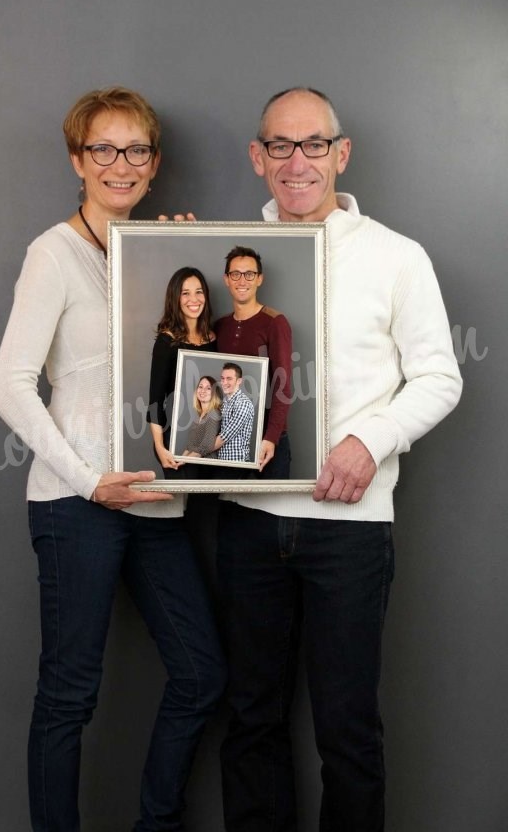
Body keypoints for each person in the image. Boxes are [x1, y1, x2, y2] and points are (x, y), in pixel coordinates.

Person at [217, 87, 463, 832]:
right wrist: (160, 257)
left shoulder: (398, 256)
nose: (299, 162)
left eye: (314, 144)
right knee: (251, 719)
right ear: (258, 158)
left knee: (348, 730)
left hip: (350, 528)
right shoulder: (225, 257)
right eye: (281, 146)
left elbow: (440, 376)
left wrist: (372, 440)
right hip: (250, 522)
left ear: (340, 153)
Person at [0, 86, 226, 832]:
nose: (119, 164)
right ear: (77, 160)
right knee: (69, 695)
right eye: (103, 149)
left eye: (135, 150)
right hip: (75, 504)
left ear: (153, 166)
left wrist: (190, 274)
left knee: (202, 675)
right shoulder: (52, 254)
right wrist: (90, 480)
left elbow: (186, 383)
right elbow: (9, 386)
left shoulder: (162, 258)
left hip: (155, 501)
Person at [215, 246, 292, 478]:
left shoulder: (275, 322)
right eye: (235, 274)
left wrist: (271, 438)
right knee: (229, 513)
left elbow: (283, 386)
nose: (242, 280)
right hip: (228, 441)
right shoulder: (219, 326)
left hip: (266, 442)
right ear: (226, 279)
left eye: (249, 274)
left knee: (267, 513)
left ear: (259, 279)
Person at [147, 266, 216, 475]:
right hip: (174, 440)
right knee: (182, 504)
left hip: (207, 437)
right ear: (175, 298)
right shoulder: (166, 341)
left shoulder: (213, 339)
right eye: (185, 293)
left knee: (208, 505)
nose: (193, 299)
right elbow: (155, 401)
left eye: (199, 292)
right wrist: (160, 447)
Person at [213, 363, 255, 463]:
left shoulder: (243, 403)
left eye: (229, 379)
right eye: (222, 378)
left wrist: (195, 453)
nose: (224, 382)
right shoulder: (225, 402)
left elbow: (223, 437)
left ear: (239, 381)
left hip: (237, 463)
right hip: (223, 461)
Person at [183, 376, 223, 460]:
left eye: (208, 388)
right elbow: (189, 447)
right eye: (200, 387)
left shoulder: (213, 413)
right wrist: (178, 461)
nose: (203, 390)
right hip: (192, 461)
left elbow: (206, 446)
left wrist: (183, 461)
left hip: (205, 464)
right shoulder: (198, 416)